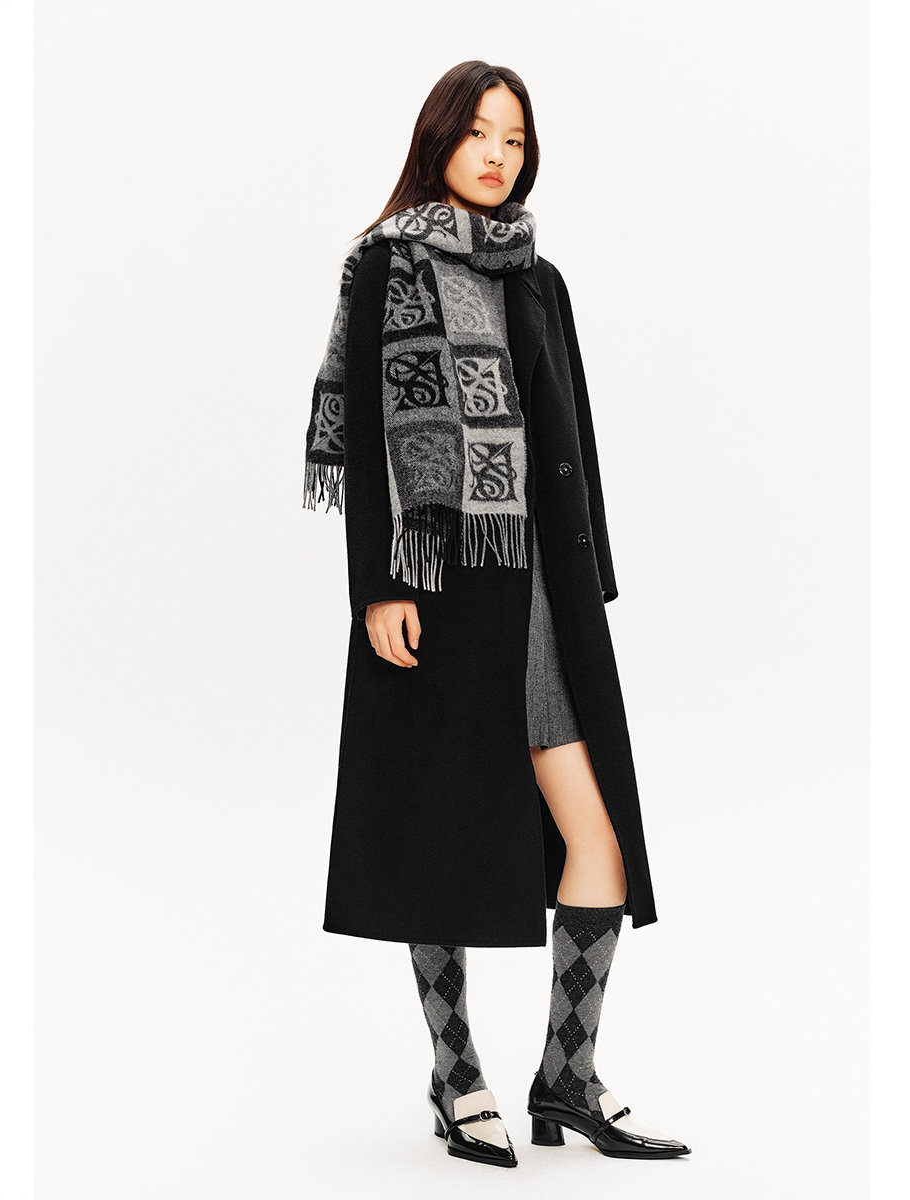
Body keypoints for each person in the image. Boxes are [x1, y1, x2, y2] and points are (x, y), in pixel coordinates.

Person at [301, 61, 689, 1167]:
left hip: (540, 592)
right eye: (478, 132)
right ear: (439, 140)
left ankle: (567, 1076)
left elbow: (574, 436)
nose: (496, 154)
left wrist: (590, 575)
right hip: (437, 589)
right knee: (441, 826)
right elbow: (365, 442)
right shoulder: (387, 264)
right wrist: (376, 585)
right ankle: (457, 1074)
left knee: (596, 835)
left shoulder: (539, 277)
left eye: (514, 139)